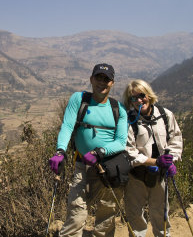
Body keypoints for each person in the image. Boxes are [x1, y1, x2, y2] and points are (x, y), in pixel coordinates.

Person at [49, 63, 128, 237]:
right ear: (91, 79)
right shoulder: (79, 99)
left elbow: (121, 142)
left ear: (112, 83)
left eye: (106, 79)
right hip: (82, 164)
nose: (102, 82)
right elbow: (68, 126)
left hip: (109, 166)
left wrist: (99, 152)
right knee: (76, 213)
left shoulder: (118, 109)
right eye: (98, 78)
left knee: (106, 214)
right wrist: (60, 151)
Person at [122, 79, 183, 237]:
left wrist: (171, 159)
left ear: (149, 95)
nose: (139, 101)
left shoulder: (165, 115)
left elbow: (175, 140)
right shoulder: (128, 121)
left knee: (161, 214)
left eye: (142, 96)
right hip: (136, 176)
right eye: (133, 98)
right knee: (135, 217)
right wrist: (155, 161)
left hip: (160, 175)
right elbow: (129, 152)